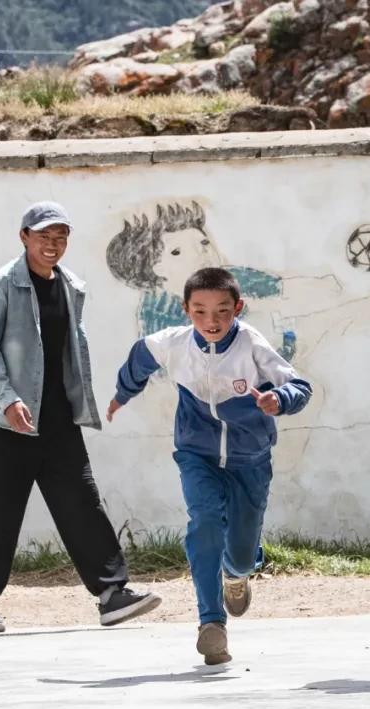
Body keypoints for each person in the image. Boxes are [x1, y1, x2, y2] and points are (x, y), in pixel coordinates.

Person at [0, 201, 160, 634]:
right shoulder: (2, 285)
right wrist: (7, 399)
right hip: (7, 421)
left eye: (60, 237)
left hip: (57, 419)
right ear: (24, 238)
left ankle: (112, 594)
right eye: (43, 237)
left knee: (82, 503)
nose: (52, 245)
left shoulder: (71, 284)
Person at [108, 267, 312, 665]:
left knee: (238, 553)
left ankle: (237, 575)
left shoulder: (251, 344)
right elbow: (139, 358)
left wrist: (279, 400)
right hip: (195, 453)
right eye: (200, 311)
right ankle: (211, 624)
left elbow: (298, 386)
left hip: (249, 458)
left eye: (221, 311)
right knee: (203, 522)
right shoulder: (175, 344)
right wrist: (121, 394)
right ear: (186, 310)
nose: (211, 321)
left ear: (238, 308)